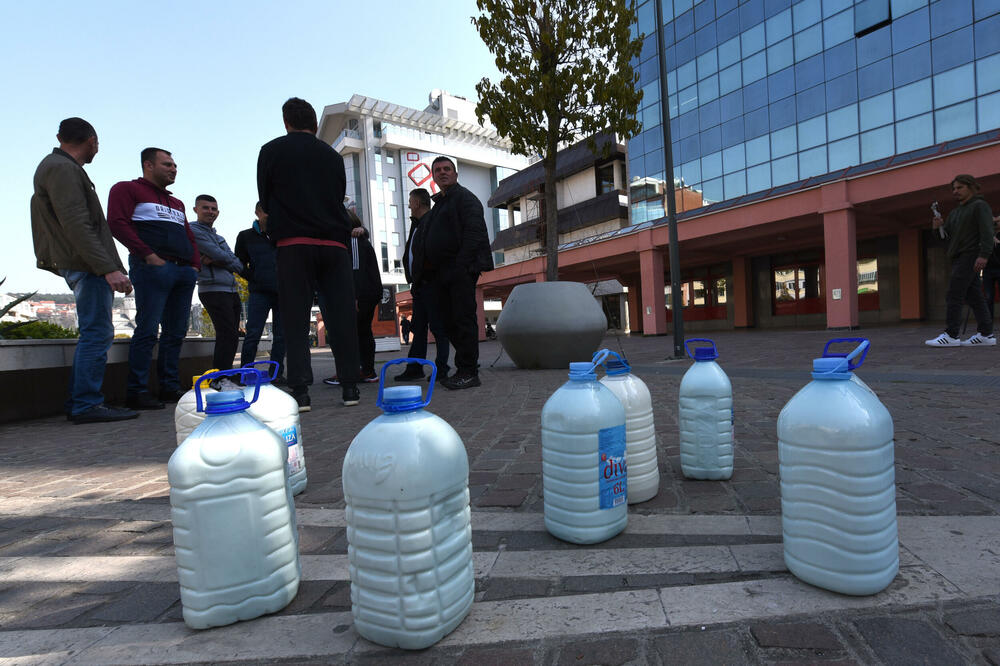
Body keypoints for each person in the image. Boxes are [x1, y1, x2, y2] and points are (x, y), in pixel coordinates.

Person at [30, 117, 138, 424]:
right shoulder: (62, 169)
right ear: (92, 141)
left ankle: (83, 402)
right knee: (97, 333)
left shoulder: (58, 167)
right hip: (86, 265)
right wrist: (108, 268)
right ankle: (86, 404)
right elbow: (77, 224)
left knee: (95, 332)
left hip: (85, 263)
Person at [257, 97, 361, 410]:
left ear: (286, 122)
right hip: (333, 243)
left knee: (295, 319)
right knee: (341, 317)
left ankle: (301, 391)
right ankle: (350, 388)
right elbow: (338, 195)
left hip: (293, 243)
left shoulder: (271, 151)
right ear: (315, 125)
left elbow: (266, 199)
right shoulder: (331, 156)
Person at [108, 148, 200, 408]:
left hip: (183, 272)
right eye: (167, 164)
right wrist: (148, 255)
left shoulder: (177, 203)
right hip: (153, 268)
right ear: (148, 165)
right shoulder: (127, 189)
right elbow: (117, 223)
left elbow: (189, 236)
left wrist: (194, 265)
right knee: (148, 329)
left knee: (176, 332)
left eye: (175, 165)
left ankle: (169, 387)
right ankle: (137, 391)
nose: (174, 169)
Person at [411, 158, 492, 389]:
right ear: (434, 177)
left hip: (459, 271)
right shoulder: (441, 204)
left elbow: (474, 234)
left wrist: (461, 267)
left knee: (463, 320)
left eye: (447, 169)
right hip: (441, 275)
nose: (443, 173)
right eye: (438, 170)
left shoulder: (465, 198)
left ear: (455, 174)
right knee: (448, 322)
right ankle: (464, 367)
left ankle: (468, 371)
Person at [925, 174, 996, 347]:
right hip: (958, 257)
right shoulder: (956, 213)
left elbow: (987, 232)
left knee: (954, 294)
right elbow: (946, 239)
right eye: (954, 188)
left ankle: (951, 335)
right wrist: (937, 228)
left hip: (970, 255)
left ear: (971, 187)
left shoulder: (980, 206)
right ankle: (986, 335)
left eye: (959, 187)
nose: (955, 191)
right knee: (974, 297)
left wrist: (984, 255)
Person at [395, 187, 450, 382]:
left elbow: (435, 251)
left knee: (437, 327)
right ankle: (415, 368)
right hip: (420, 285)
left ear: (417, 203)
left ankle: (442, 368)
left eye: (410, 201)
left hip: (431, 284)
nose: (409, 205)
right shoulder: (418, 223)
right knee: (418, 328)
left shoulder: (431, 221)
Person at [322, 208, 382, 385]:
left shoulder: (354, 241)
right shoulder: (356, 240)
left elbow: (356, 270)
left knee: (353, 334)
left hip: (361, 295)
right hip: (364, 294)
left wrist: (354, 296)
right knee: (361, 333)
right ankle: (364, 372)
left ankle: (354, 373)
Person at [190, 194, 244, 372]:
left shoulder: (218, 236)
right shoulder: (193, 231)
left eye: (213, 209)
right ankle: (221, 377)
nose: (210, 212)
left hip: (230, 289)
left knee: (232, 335)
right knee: (226, 333)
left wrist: (217, 259)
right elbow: (223, 256)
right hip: (212, 289)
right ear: (195, 210)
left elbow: (238, 264)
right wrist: (222, 259)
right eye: (205, 208)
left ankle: (226, 373)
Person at [235, 202, 285, 381]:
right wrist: (253, 277)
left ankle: (277, 374)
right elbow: (239, 262)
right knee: (253, 334)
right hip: (259, 293)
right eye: (266, 212)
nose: (270, 215)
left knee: (281, 337)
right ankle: (245, 374)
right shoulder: (245, 236)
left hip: (283, 293)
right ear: (257, 212)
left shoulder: (282, 235)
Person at [983, 216, 1000, 320]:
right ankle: (988, 321)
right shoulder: (987, 234)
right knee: (989, 297)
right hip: (988, 269)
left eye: (998, 221)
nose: (996, 224)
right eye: (995, 222)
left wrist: (997, 241)